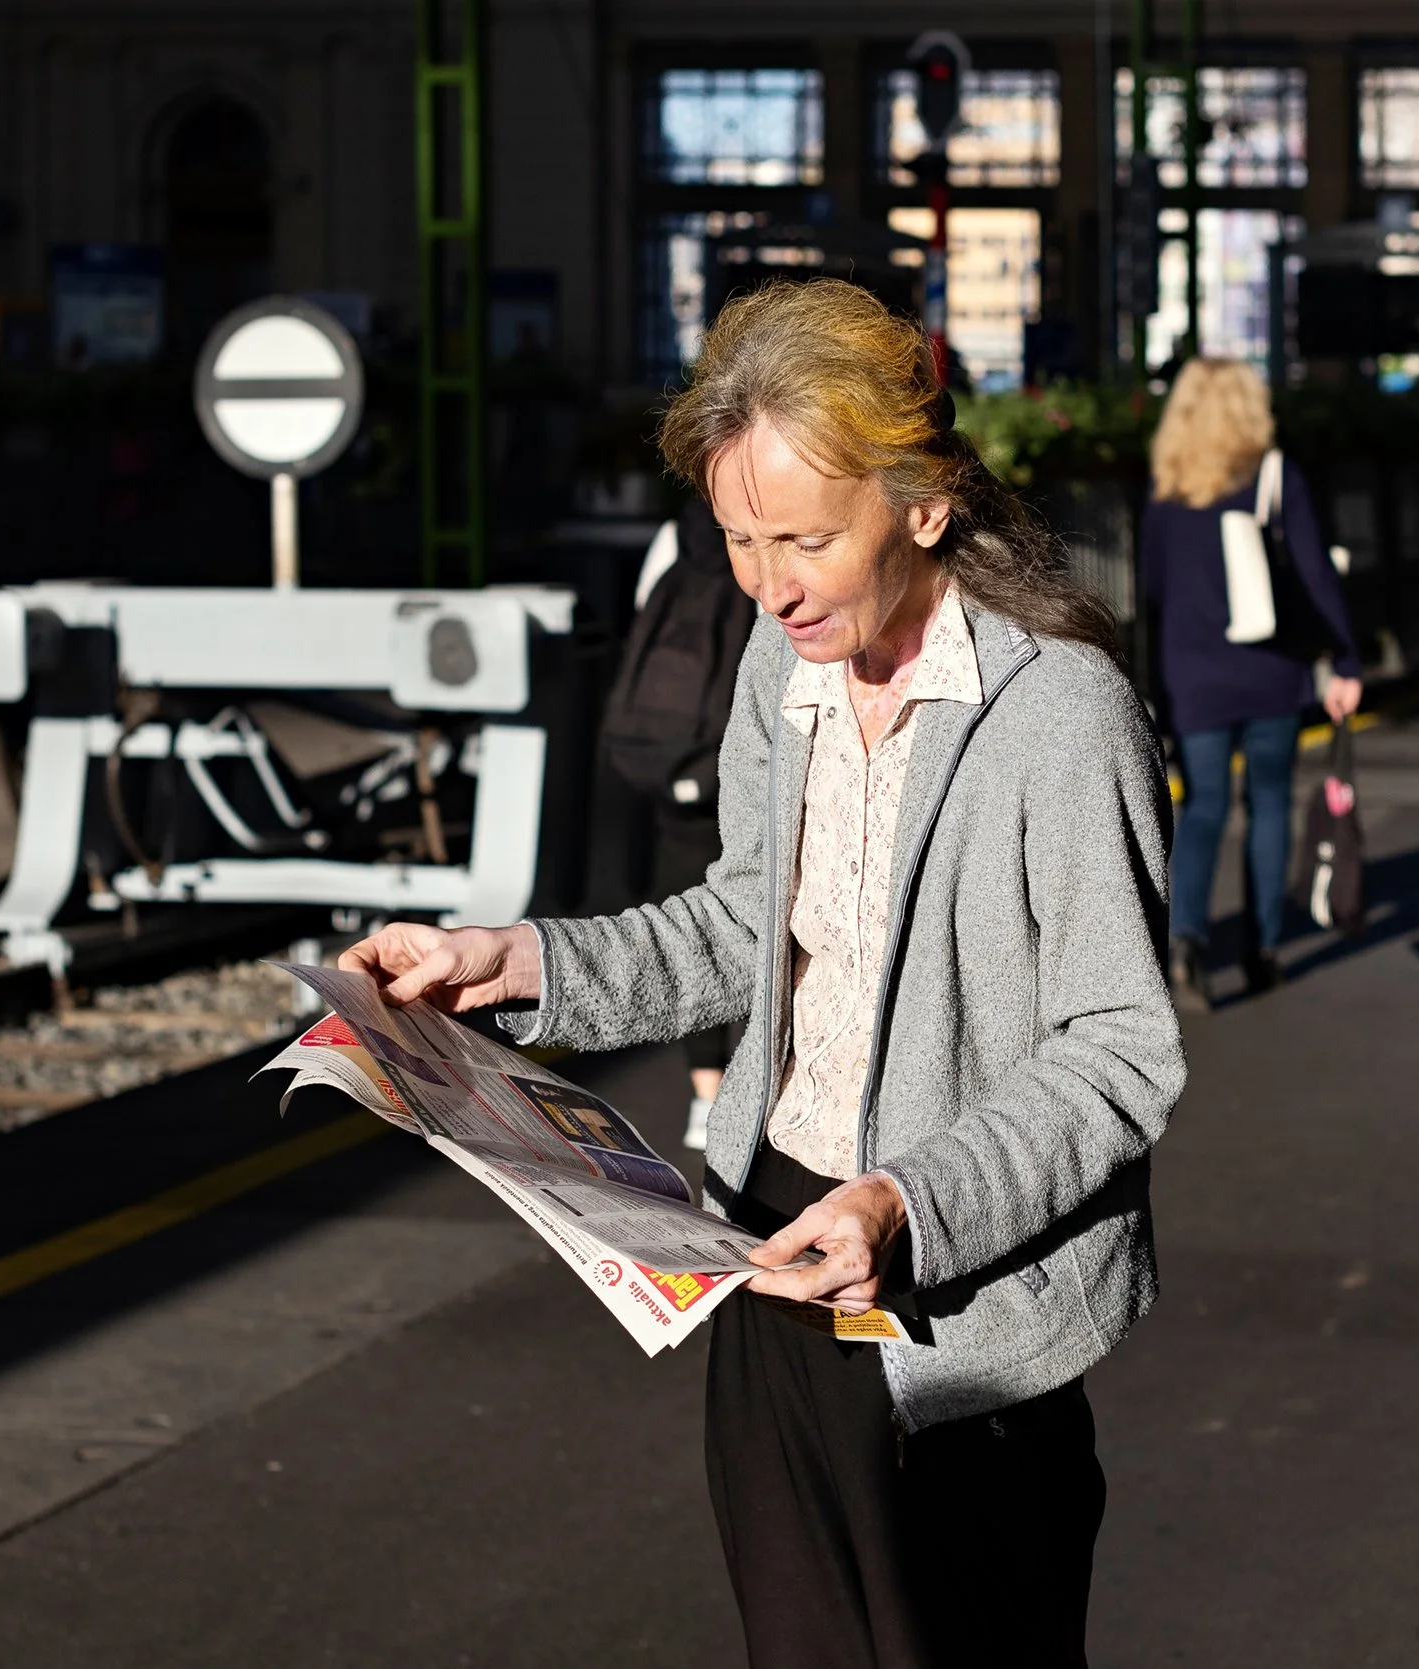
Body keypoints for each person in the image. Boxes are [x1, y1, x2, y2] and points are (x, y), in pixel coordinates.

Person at [338, 278, 1186, 1665]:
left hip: (958, 1317)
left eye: (802, 538)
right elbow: (745, 925)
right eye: (737, 539)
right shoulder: (784, 667)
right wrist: (510, 959)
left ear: (923, 503)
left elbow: (1117, 1051)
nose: (768, 583)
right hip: (773, 1256)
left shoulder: (1059, 713)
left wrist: (908, 1203)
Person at [1140, 358, 1362, 1010]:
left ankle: (1187, 946)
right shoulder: (1274, 474)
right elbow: (1317, 576)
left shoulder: (1164, 488)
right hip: (1272, 670)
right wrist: (1344, 663)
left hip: (1193, 677)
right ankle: (1262, 950)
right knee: (1268, 803)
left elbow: (1152, 591)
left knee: (1202, 807)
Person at [599, 500, 758, 1150]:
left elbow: (641, 625)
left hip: (677, 758)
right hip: (742, 750)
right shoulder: (769, 543)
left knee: (693, 914)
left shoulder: (673, 537)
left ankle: (704, 1094)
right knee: (755, 909)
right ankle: (754, 1080)